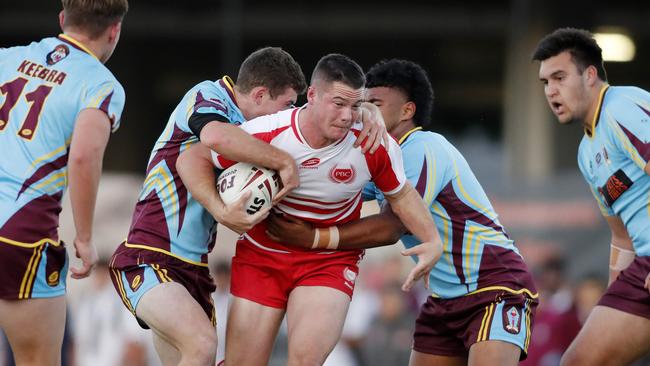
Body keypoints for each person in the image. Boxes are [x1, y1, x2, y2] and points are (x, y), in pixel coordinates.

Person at [109, 48, 386, 365]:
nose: (290, 113)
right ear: (259, 94)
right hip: (151, 253)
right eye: (286, 105)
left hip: (194, 268)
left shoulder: (257, 135)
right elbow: (214, 136)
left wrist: (364, 112)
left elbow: (323, 163)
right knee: (201, 344)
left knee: (198, 354)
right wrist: (282, 163)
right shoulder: (209, 95)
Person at [267, 59, 538, 366]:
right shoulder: (381, 158)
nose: (364, 112)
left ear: (407, 111)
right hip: (442, 299)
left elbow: (395, 225)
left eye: (375, 103)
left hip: (494, 285)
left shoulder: (423, 146)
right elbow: (335, 190)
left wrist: (315, 238)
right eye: (363, 103)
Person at [178, 53, 441, 366]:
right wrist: (220, 211)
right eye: (338, 103)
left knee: (305, 361)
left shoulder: (372, 142)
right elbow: (193, 158)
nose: (347, 116)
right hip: (263, 255)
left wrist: (432, 240)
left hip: (327, 263)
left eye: (356, 106)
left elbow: (402, 196)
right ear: (312, 96)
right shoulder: (269, 131)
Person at [0, 1, 128, 365]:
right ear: (114, 31)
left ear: (62, 20)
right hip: (20, 235)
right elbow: (85, 157)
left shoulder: (8, 57)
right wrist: (85, 239)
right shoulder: (100, 84)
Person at [532, 27, 650, 365]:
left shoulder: (621, 108)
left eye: (559, 77)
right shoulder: (587, 151)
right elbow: (622, 236)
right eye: (545, 83)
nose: (551, 91)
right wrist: (614, 300)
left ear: (590, 75)